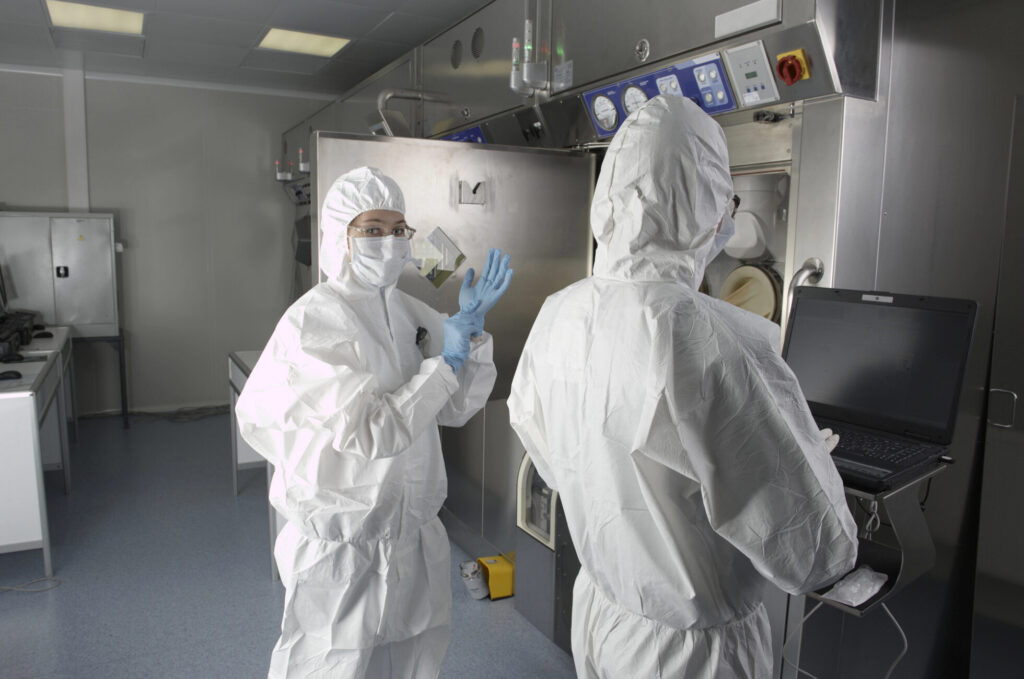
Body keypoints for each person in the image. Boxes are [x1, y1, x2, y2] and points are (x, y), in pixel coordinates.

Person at [508, 96, 857, 678]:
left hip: (602, 613)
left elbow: (554, 457)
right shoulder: (713, 338)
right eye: (726, 198)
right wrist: (807, 459)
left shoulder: (561, 312)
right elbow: (813, 552)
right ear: (706, 205)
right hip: (690, 655)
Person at [236, 166, 512, 679]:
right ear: (341, 235)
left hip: (412, 533)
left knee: (411, 658)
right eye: (372, 229)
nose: (389, 242)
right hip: (342, 547)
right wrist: (445, 365)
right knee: (332, 664)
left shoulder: (408, 312)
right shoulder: (314, 322)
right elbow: (372, 431)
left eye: (397, 229)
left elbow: (455, 408)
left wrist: (469, 337)